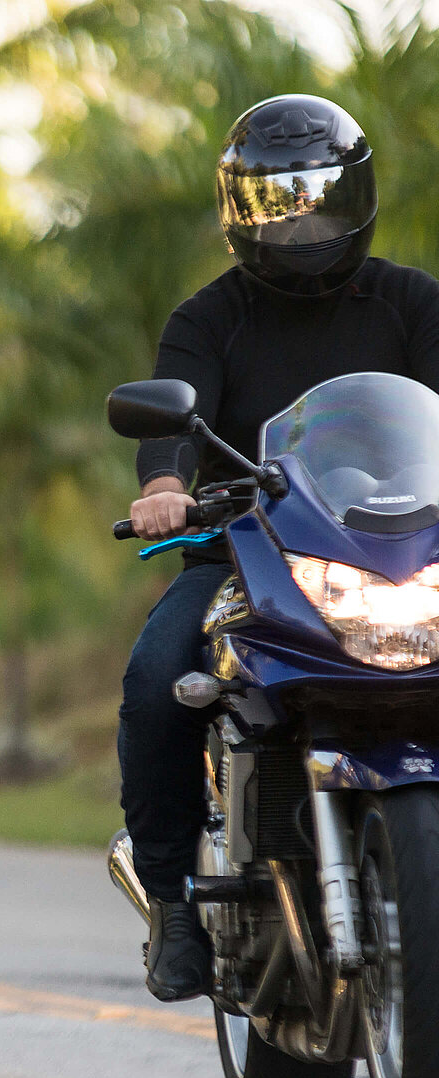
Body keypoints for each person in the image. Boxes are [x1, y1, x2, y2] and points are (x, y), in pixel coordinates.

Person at [119, 93, 439, 1001]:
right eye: (275, 202)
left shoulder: (415, 303)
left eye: (318, 198)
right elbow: (170, 416)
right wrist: (165, 490)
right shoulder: (208, 319)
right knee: (156, 678)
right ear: (238, 212)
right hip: (245, 555)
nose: (300, 222)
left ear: (358, 196)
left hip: (413, 555)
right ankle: (178, 901)